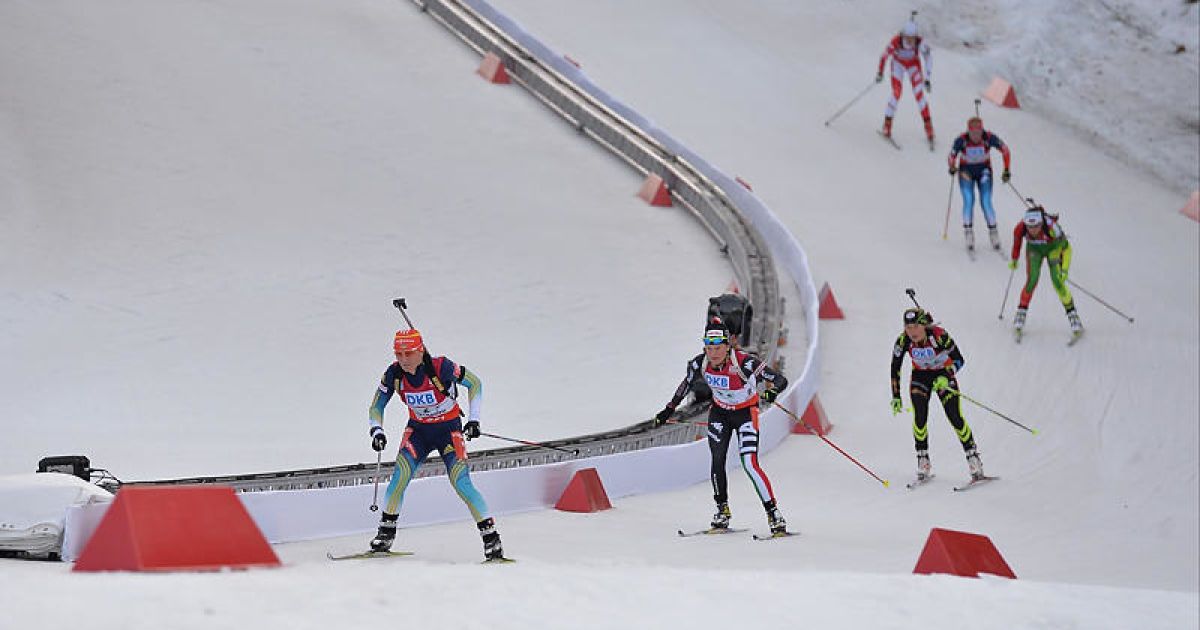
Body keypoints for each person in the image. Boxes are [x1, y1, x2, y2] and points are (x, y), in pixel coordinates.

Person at [366, 328, 505, 561]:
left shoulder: (441, 367)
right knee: (399, 477)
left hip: (448, 431)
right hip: (418, 432)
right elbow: (376, 406)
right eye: (398, 354)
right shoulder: (393, 374)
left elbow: (475, 383)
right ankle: (385, 535)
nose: (403, 360)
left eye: (408, 353)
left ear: (420, 351)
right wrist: (376, 430)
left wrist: (474, 420)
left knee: (461, 482)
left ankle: (491, 539)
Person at [654, 318, 790, 534]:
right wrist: (667, 411)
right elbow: (684, 386)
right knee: (717, 460)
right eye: (709, 348)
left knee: (749, 464)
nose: (713, 353)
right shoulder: (700, 363)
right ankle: (722, 511)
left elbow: (780, 380)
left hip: (746, 414)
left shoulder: (745, 363)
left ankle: (774, 515)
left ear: (728, 346)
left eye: (718, 348)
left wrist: (773, 392)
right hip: (720, 414)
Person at [889, 308, 985, 482]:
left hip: (943, 375)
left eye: (916, 326)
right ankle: (923, 459)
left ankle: (973, 458)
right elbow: (895, 367)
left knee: (955, 416)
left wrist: (947, 374)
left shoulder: (939, 336)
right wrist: (896, 395)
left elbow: (959, 359)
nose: (912, 332)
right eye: (908, 327)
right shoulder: (903, 340)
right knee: (920, 417)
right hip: (921, 377)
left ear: (924, 325)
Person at [1007, 205, 1083, 338]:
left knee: (1057, 281)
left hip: (1054, 249)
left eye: (1036, 226)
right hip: (1034, 250)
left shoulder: (1053, 228)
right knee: (1032, 279)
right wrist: (1014, 258)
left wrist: (1064, 269)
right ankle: (1021, 313)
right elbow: (1017, 242)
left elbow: (1067, 249)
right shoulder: (1020, 227)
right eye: (1029, 227)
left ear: (1041, 223)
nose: (1032, 230)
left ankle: (1073, 315)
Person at [948, 117, 1012, 251]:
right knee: (969, 200)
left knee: (986, 201)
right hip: (966, 172)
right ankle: (968, 233)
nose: (976, 136)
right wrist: (952, 166)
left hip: (984, 172)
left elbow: (1005, 150)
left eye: (978, 132)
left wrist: (1006, 170)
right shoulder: (962, 140)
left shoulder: (988, 137)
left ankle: (993, 233)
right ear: (968, 131)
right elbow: (952, 155)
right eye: (973, 133)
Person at [876, 19, 934, 146]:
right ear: (903, 35)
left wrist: (928, 78)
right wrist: (880, 73)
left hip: (913, 65)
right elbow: (884, 56)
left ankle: (928, 127)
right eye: (907, 38)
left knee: (919, 96)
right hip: (898, 65)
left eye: (912, 38)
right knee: (896, 93)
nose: (909, 41)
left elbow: (928, 58)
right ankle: (887, 125)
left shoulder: (920, 42)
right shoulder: (896, 41)